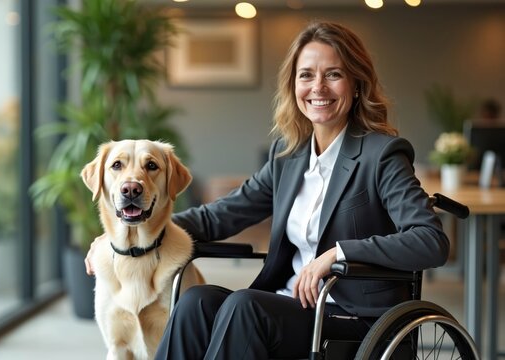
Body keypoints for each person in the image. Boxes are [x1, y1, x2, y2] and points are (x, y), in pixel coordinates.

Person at [85, 21, 449, 359]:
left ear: (356, 85)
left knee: (246, 306)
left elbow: (430, 240)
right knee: (197, 300)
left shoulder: (381, 153)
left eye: (333, 75)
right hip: (289, 304)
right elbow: (221, 215)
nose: (318, 87)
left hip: (353, 318)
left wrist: (336, 253)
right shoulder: (288, 156)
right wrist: (128, 237)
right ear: (294, 85)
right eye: (306, 75)